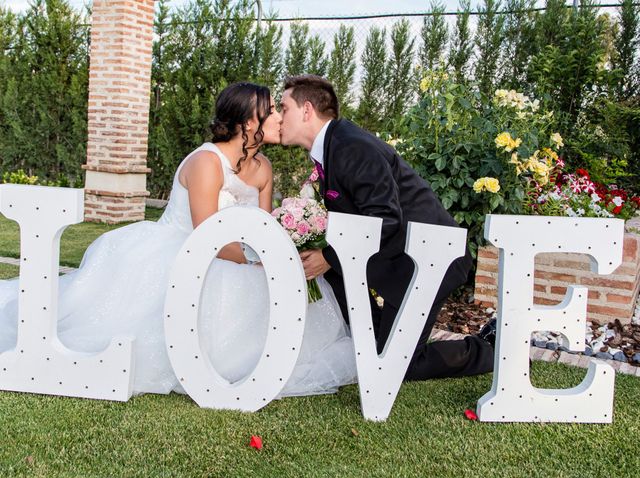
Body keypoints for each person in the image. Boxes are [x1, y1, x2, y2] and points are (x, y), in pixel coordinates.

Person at [0, 82, 357, 397]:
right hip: (187, 250)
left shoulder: (263, 167)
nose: (280, 116)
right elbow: (207, 235)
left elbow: (264, 226)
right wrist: (256, 262)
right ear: (250, 122)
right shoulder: (205, 162)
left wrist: (274, 256)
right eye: (272, 111)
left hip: (243, 253)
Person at [279, 74, 494, 380]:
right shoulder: (333, 146)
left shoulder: (351, 147)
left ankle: (491, 349)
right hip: (399, 262)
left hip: (428, 261)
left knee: (399, 364)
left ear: (306, 110)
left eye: (284, 108)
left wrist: (328, 258)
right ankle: (383, 335)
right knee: (378, 350)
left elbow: (385, 218)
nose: (278, 117)